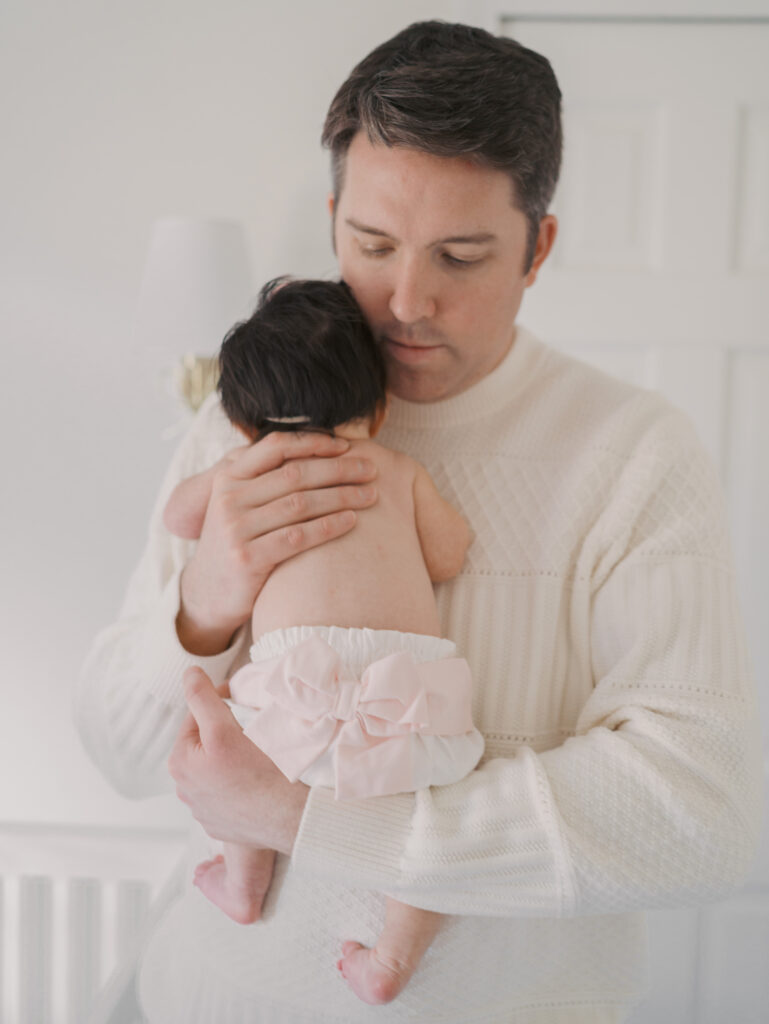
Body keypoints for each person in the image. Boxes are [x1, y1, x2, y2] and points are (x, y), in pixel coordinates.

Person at [76, 20, 761, 1024]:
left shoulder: (632, 453)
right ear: (332, 217)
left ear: (539, 248)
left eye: (461, 255)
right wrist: (202, 608)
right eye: (372, 244)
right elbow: (120, 755)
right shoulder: (240, 427)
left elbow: (696, 816)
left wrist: (306, 820)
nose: (405, 300)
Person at [161, 275, 484, 1004]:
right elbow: (449, 555)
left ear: (241, 422)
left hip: (290, 687)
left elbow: (181, 521)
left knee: (228, 775)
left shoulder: (247, 469)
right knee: (429, 836)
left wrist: (227, 467)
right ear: (379, 406)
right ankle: (390, 960)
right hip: (404, 692)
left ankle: (243, 880)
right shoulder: (397, 470)